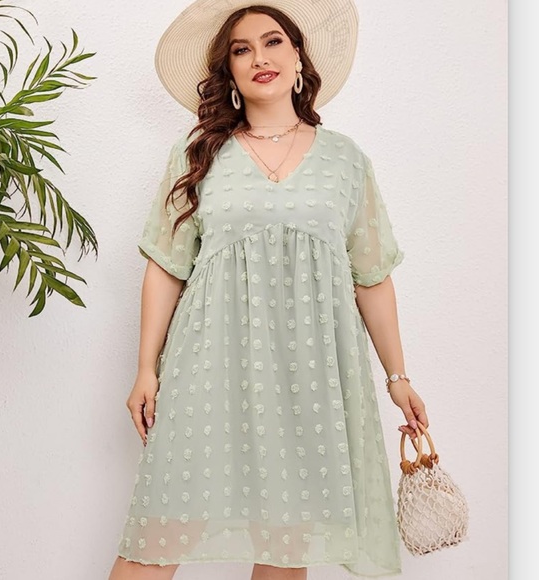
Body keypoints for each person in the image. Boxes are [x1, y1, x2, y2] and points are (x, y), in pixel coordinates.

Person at [108, 1, 428, 579]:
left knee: (287, 547)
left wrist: (397, 377)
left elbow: (372, 276)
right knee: (158, 534)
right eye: (242, 49)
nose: (260, 57)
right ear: (228, 72)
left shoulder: (345, 160)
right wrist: (146, 369)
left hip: (311, 374)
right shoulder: (198, 154)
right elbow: (166, 267)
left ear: (299, 57)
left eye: (273, 41)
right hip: (209, 365)